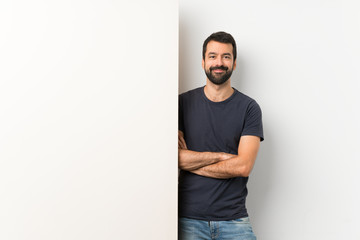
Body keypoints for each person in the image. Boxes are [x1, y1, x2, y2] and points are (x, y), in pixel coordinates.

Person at [178, 31, 264, 240]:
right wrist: (222, 156)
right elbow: (175, 158)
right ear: (203, 62)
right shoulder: (181, 104)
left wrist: (192, 160)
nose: (219, 62)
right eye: (213, 56)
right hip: (189, 220)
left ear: (234, 63)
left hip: (234, 220)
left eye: (226, 56)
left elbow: (243, 167)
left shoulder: (249, 108)